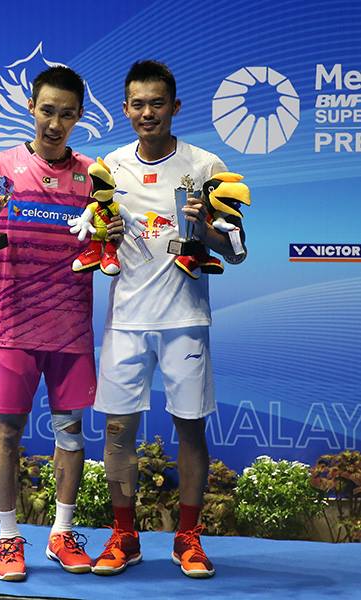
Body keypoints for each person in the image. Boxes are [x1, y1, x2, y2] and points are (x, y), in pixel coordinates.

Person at [0, 66, 122, 581]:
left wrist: (118, 230)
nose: (55, 123)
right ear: (31, 109)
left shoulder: (94, 175)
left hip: (70, 330)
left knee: (70, 430)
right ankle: (7, 539)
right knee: (9, 430)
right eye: (47, 111)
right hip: (12, 326)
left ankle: (62, 534)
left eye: (67, 114)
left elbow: (112, 241)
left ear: (80, 117)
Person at [91, 60, 247, 578]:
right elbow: (94, 235)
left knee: (189, 429)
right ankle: (124, 534)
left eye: (157, 103)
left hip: (185, 319)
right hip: (126, 320)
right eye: (138, 104)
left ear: (175, 107)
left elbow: (238, 251)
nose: (147, 112)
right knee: (117, 430)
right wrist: (102, 236)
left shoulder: (205, 165)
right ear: (125, 109)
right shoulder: (110, 165)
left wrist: (207, 232)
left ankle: (188, 537)